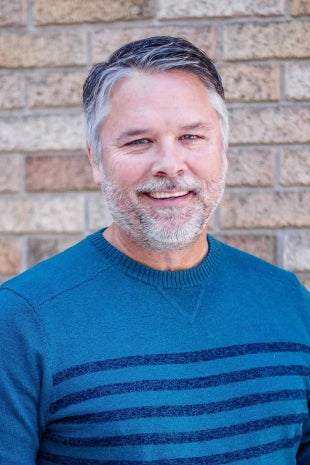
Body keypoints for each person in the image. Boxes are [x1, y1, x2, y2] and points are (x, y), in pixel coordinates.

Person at [0, 36, 309, 465]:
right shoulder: (22, 322)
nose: (170, 164)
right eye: (138, 141)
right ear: (95, 161)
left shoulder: (288, 301)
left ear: (223, 151)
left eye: (191, 136)